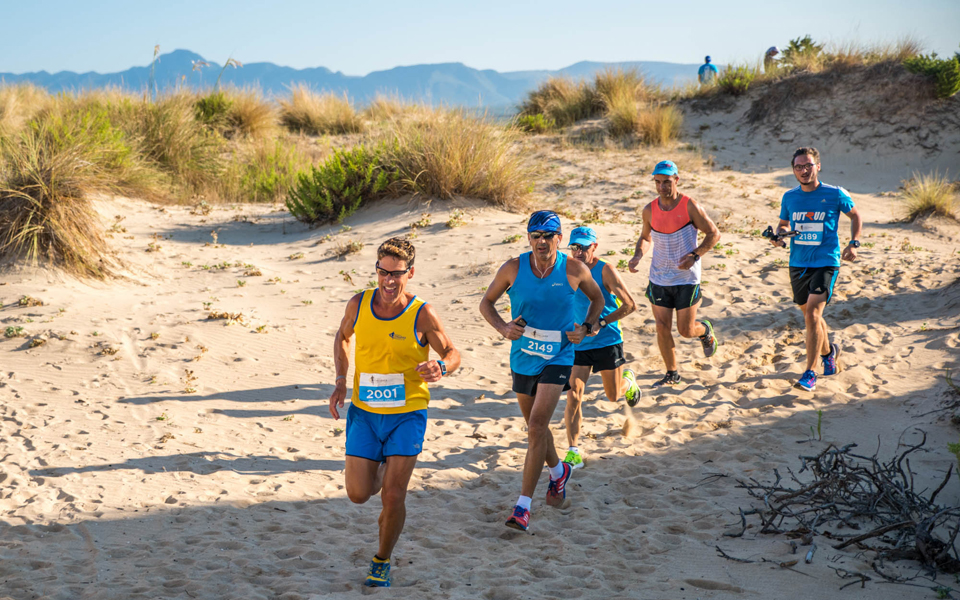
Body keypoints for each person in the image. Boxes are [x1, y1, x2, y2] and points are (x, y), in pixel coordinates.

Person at [329, 237, 461, 588]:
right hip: (366, 412)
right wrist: (341, 379)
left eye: (396, 274)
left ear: (410, 273)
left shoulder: (421, 313)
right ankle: (384, 464)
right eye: (382, 272)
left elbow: (452, 352)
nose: (388, 281)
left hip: (407, 412)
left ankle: (382, 560)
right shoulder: (359, 304)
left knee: (393, 496)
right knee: (358, 494)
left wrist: (442, 368)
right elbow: (342, 338)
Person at [479, 210, 605, 532]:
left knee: (536, 425)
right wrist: (503, 327)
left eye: (548, 236)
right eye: (535, 236)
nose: (541, 242)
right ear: (529, 239)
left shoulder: (574, 269)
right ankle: (559, 472)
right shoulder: (513, 268)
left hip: (559, 356)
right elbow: (486, 303)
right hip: (523, 357)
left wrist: (588, 327)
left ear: (559, 239)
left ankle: (522, 507)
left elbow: (598, 299)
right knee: (536, 429)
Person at [772, 147, 862, 392]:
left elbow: (855, 215)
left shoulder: (834, 193)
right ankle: (829, 352)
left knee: (812, 314)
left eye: (808, 165)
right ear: (793, 170)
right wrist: (778, 236)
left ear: (817, 166)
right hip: (798, 264)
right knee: (812, 317)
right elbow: (783, 224)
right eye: (799, 167)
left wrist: (853, 242)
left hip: (826, 262)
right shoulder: (789, 197)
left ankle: (809, 373)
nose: (803, 170)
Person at [628, 160, 721, 387]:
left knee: (686, 330)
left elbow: (713, 234)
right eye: (658, 182)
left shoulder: (690, 206)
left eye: (667, 182)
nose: (662, 187)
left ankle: (704, 330)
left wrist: (695, 255)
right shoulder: (649, 210)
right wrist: (638, 255)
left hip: (686, 278)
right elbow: (646, 237)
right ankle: (672, 373)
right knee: (661, 326)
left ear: (676, 180)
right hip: (659, 276)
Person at [563, 226, 640, 470]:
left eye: (584, 247)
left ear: (594, 247)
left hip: (607, 339)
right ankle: (573, 450)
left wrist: (601, 322)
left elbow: (630, 305)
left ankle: (628, 381)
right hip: (578, 342)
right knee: (574, 394)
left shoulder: (605, 270)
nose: (578, 252)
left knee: (613, 395)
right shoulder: (566, 268)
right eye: (574, 247)